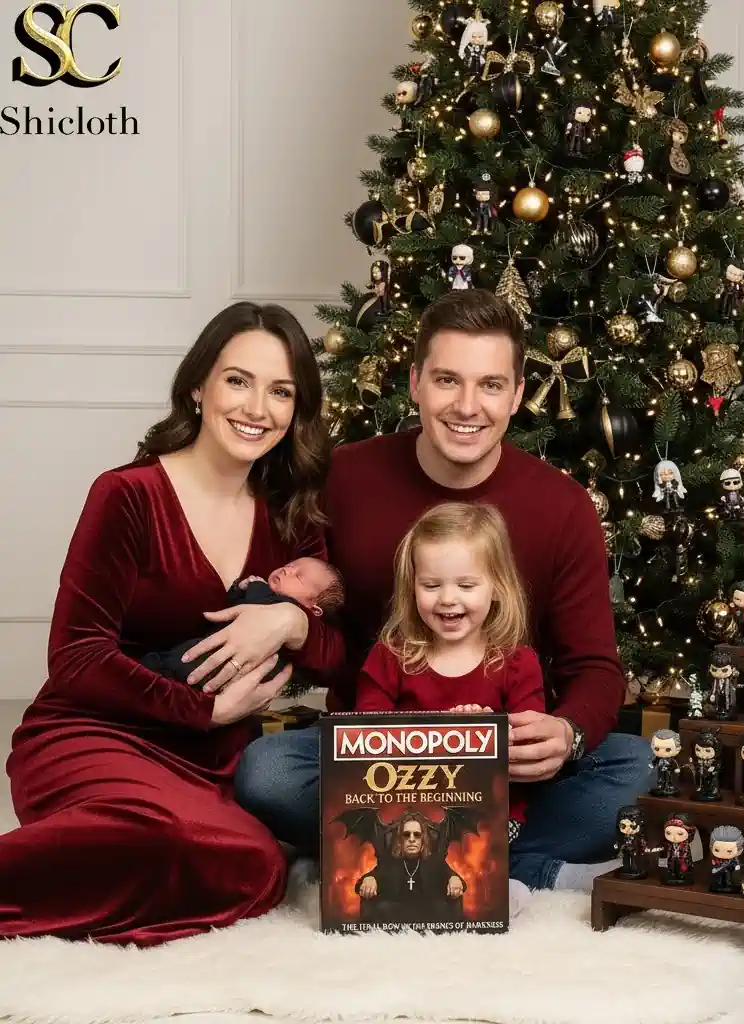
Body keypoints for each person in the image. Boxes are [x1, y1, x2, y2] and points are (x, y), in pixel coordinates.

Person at [231, 288, 650, 893]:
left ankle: (428, 859)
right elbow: (306, 615)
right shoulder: (346, 478)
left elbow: (595, 668)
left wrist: (567, 734)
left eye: (490, 385)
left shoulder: (563, 506)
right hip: (379, 762)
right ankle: (509, 868)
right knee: (266, 773)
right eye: (448, 380)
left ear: (516, 392)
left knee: (638, 769)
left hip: (505, 767)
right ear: (416, 383)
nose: (467, 406)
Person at [0, 302, 346, 945]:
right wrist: (203, 712)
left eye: (281, 392)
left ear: (296, 410)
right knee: (174, 839)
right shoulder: (127, 494)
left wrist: (290, 625)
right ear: (198, 386)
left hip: (213, 762)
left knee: (255, 869)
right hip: (93, 733)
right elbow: (75, 658)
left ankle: (90, 858)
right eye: (238, 380)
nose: (257, 408)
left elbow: (334, 653)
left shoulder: (291, 515)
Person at [353, 501, 547, 911]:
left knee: (625, 767)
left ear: (497, 587)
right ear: (412, 588)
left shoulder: (516, 662)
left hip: (492, 812)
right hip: (403, 805)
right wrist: (441, 730)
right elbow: (364, 739)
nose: (447, 599)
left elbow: (530, 751)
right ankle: (532, 871)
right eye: (431, 585)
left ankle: (510, 873)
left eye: (466, 585)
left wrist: (488, 735)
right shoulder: (390, 657)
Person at [141, 556, 345, 684]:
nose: (287, 570)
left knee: (177, 664)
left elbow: (262, 603)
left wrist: (257, 586)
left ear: (313, 610)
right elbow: (233, 606)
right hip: (213, 655)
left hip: (222, 663)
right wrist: (240, 590)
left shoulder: (283, 605)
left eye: (298, 577)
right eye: (290, 565)